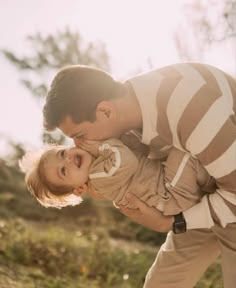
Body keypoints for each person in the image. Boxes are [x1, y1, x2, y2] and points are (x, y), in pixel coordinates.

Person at [43, 63, 236, 288]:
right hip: (205, 192)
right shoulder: (127, 116)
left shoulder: (188, 107)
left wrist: (174, 222)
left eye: (80, 135)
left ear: (106, 111)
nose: (79, 145)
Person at [20, 134, 216, 219]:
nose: (68, 160)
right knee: (180, 150)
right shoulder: (98, 178)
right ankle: (217, 181)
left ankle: (213, 181)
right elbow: (127, 162)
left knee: (179, 154)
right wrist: (98, 145)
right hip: (170, 193)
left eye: (62, 154)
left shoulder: (101, 164)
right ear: (79, 189)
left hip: (171, 182)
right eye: (63, 171)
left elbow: (136, 149)